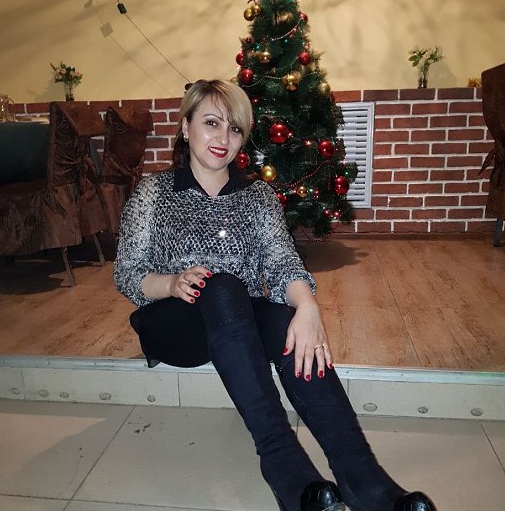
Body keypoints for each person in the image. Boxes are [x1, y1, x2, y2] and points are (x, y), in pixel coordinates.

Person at [115, 79, 437, 511]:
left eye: (234, 128)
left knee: (287, 321)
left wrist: (307, 307)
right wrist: (171, 283)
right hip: (174, 322)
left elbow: (283, 262)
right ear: (186, 127)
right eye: (211, 123)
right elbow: (127, 273)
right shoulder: (154, 192)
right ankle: (284, 467)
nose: (223, 137)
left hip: (238, 322)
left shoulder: (258, 196)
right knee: (222, 285)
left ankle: (364, 479)